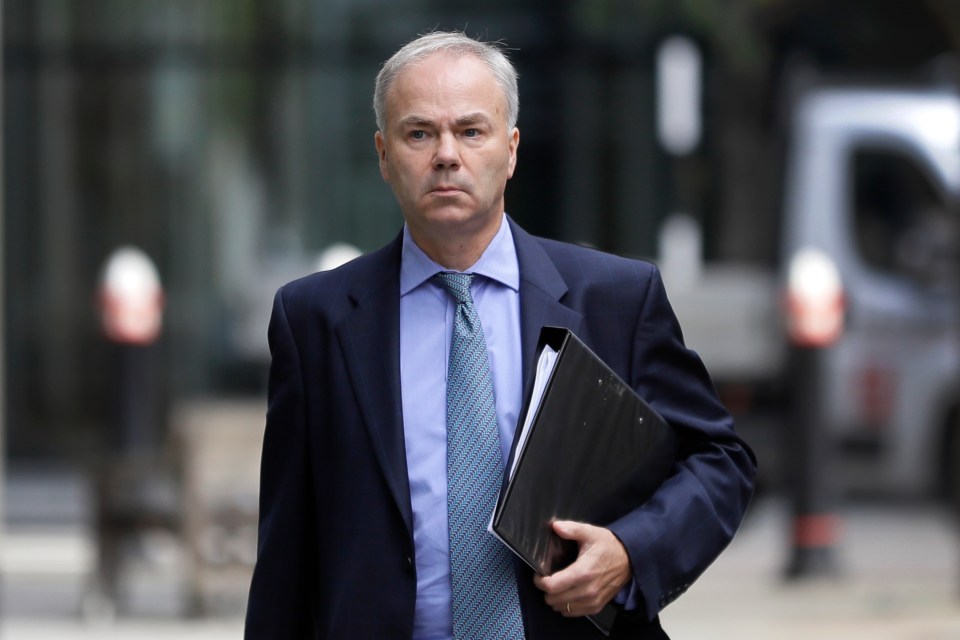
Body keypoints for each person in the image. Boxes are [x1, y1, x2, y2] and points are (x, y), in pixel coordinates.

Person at [244, 31, 756, 640]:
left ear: (510, 150)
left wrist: (629, 552)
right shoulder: (314, 321)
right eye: (418, 133)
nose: (445, 155)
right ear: (383, 155)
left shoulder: (616, 299)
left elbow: (719, 462)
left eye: (471, 130)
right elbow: (286, 554)